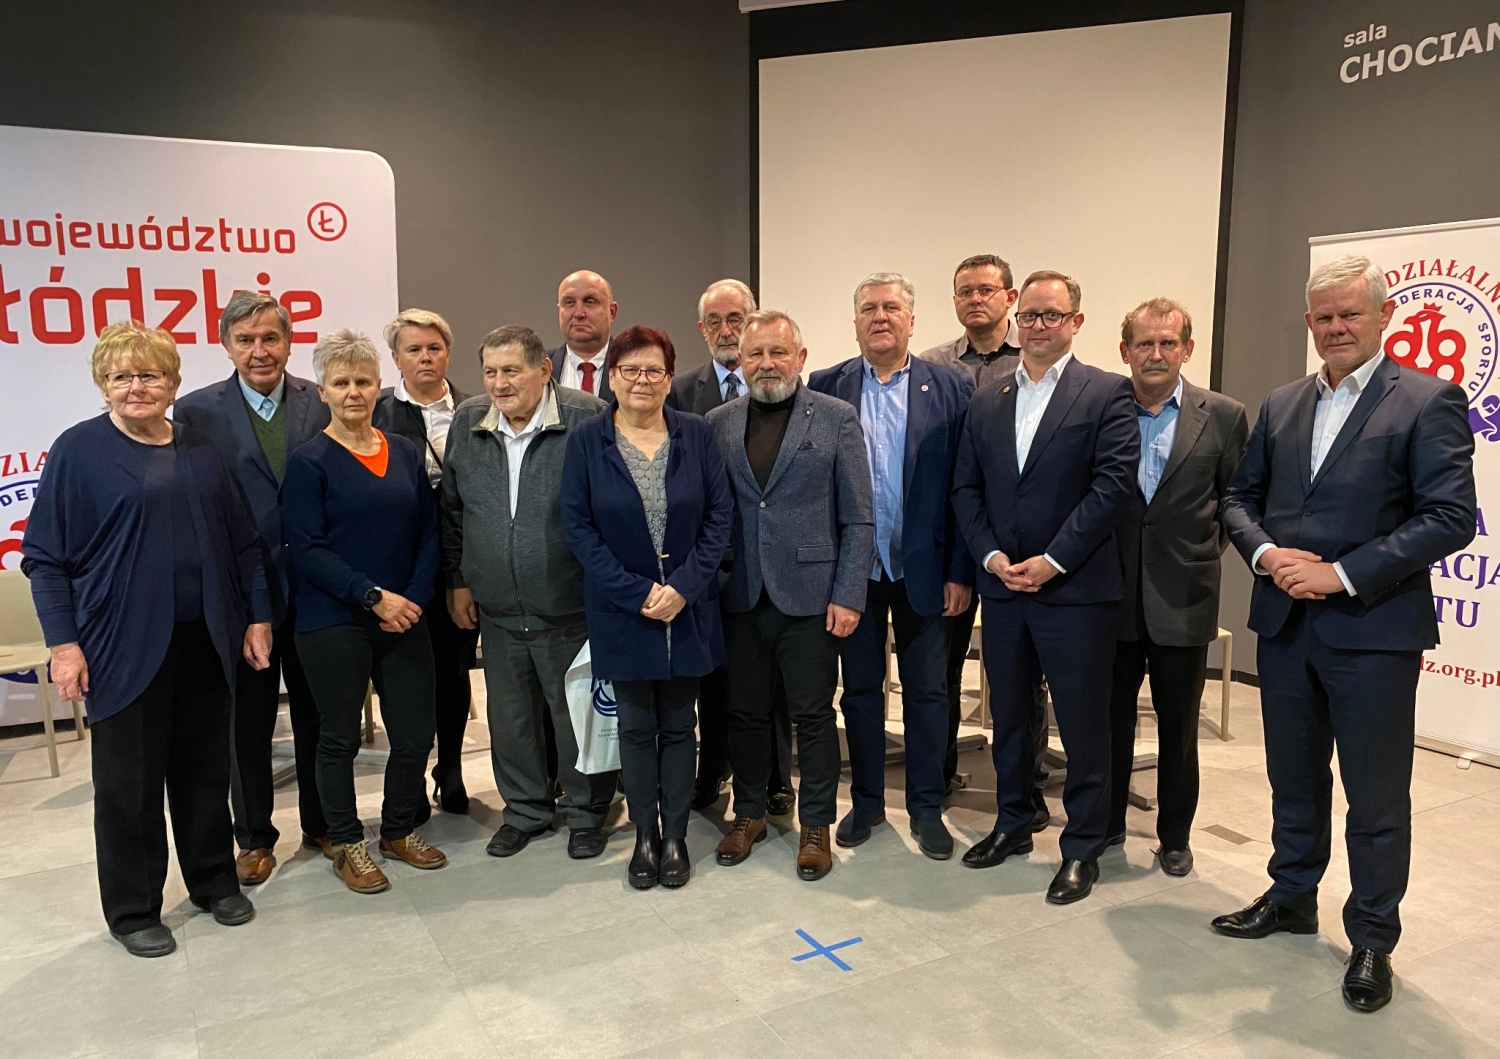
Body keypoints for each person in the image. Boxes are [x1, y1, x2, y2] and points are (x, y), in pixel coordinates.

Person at [1215, 255, 1476, 1013]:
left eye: (1350, 313)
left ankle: (1371, 938)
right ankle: (1292, 894)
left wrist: (1343, 573)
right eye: (1324, 316)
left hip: (1374, 631)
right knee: (1293, 779)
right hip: (1285, 624)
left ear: (1383, 316)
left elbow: (1449, 517)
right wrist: (1266, 554)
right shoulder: (1283, 402)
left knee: (1375, 796)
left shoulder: (1427, 400)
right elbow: (1238, 498)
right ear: (1308, 322)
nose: (1336, 327)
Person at [22, 321, 270, 957]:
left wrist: (257, 617)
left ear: (172, 382)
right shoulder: (79, 450)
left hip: (206, 638)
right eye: (121, 376)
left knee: (204, 771)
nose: (136, 387)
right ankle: (133, 910)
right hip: (120, 644)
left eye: (150, 374)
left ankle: (213, 881)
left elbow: (244, 543)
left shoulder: (201, 447)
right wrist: (63, 645)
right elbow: (45, 558)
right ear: (102, 383)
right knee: (128, 786)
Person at [951, 270, 1139, 904]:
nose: (1037, 325)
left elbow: (1113, 486)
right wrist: (991, 556)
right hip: (1005, 589)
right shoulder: (988, 398)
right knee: (1009, 716)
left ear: (1075, 322)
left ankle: (1082, 845)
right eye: (1029, 315)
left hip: (1076, 591)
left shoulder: (1107, 392)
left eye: (1051, 315)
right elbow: (966, 488)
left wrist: (1054, 560)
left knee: (1083, 725)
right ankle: (1014, 821)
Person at [809, 273, 974, 859]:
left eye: (891, 307)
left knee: (928, 693)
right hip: (854, 573)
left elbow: (965, 485)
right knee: (859, 692)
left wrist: (961, 570)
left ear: (911, 320)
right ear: (855, 321)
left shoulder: (951, 387)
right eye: (869, 308)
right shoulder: (825, 386)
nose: (880, 316)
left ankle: (926, 806)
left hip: (925, 570)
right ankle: (868, 802)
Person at [561, 326, 733, 889]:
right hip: (622, 611)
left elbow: (719, 519)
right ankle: (644, 836)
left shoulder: (696, 434)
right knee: (635, 729)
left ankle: (676, 836)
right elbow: (579, 529)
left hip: (689, 608)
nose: (642, 380)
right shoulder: (587, 441)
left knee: (681, 726)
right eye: (630, 369)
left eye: (654, 370)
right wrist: (636, 593)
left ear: (668, 377)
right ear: (611, 377)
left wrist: (683, 587)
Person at [707, 309, 874, 881]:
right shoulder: (718, 422)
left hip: (812, 597)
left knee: (814, 717)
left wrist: (849, 594)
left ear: (800, 358)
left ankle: (816, 825)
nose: (767, 363)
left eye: (778, 352)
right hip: (739, 594)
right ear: (740, 360)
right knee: (745, 714)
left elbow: (859, 517)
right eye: (755, 353)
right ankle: (749, 813)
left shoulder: (835, 417)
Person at [442, 325, 619, 861]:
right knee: (511, 720)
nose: (499, 383)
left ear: (544, 370)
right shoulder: (469, 420)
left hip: (570, 604)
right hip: (496, 606)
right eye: (490, 372)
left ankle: (587, 814)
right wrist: (459, 579)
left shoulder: (588, 417)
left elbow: (613, 508)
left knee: (575, 718)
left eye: (511, 371)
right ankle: (524, 811)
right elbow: (452, 509)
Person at [174, 291, 331, 885]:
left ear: (289, 342)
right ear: (226, 346)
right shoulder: (194, 412)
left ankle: (322, 823)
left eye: (270, 338)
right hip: (243, 596)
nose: (259, 350)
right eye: (245, 340)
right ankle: (255, 837)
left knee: (319, 714)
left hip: (316, 589)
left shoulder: (321, 399)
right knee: (248, 724)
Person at [282, 330, 447, 895]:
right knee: (338, 739)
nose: (353, 392)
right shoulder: (309, 462)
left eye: (362, 381)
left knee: (414, 732)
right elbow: (307, 549)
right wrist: (373, 596)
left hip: (405, 615)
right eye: (341, 383)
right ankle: (347, 842)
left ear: (380, 386)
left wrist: (414, 598)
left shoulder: (403, 450)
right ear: (323, 391)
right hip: (334, 618)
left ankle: (398, 830)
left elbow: (428, 532)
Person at [1108, 298, 1248, 877]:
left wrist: (1195, 555)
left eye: (1168, 343)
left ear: (1188, 349)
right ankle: (1106, 824)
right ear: (1125, 351)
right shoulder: (1101, 408)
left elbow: (1235, 502)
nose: (1156, 353)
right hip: (1111, 595)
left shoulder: (1224, 415)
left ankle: (1174, 837)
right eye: (1144, 343)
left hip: (1185, 597)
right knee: (1109, 723)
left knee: (1179, 729)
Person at [920, 254, 1050, 825]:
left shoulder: (1037, 360)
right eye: (964, 291)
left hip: (1019, 548)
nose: (975, 299)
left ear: (1010, 297)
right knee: (941, 670)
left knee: (1022, 677)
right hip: (951, 542)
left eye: (986, 290)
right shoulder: (931, 364)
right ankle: (939, 772)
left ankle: (1026, 785)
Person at [671, 278, 795, 816]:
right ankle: (712, 771)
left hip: (776, 563)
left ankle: (777, 778)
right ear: (703, 329)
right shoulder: (681, 391)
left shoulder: (785, 383)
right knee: (714, 679)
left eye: (736, 319)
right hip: (708, 563)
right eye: (716, 321)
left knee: (774, 683)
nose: (726, 330)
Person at [374, 308, 479, 817]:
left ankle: (450, 771)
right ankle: (409, 778)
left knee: (454, 674)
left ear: (448, 353)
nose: (425, 358)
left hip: (458, 565)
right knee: (402, 678)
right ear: (396, 359)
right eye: (413, 349)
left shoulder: (475, 410)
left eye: (434, 348)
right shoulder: (377, 412)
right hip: (399, 568)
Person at [550, 270, 617, 402]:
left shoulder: (634, 371)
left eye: (589, 302)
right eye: (569, 303)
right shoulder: (537, 369)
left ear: (611, 312)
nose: (579, 313)